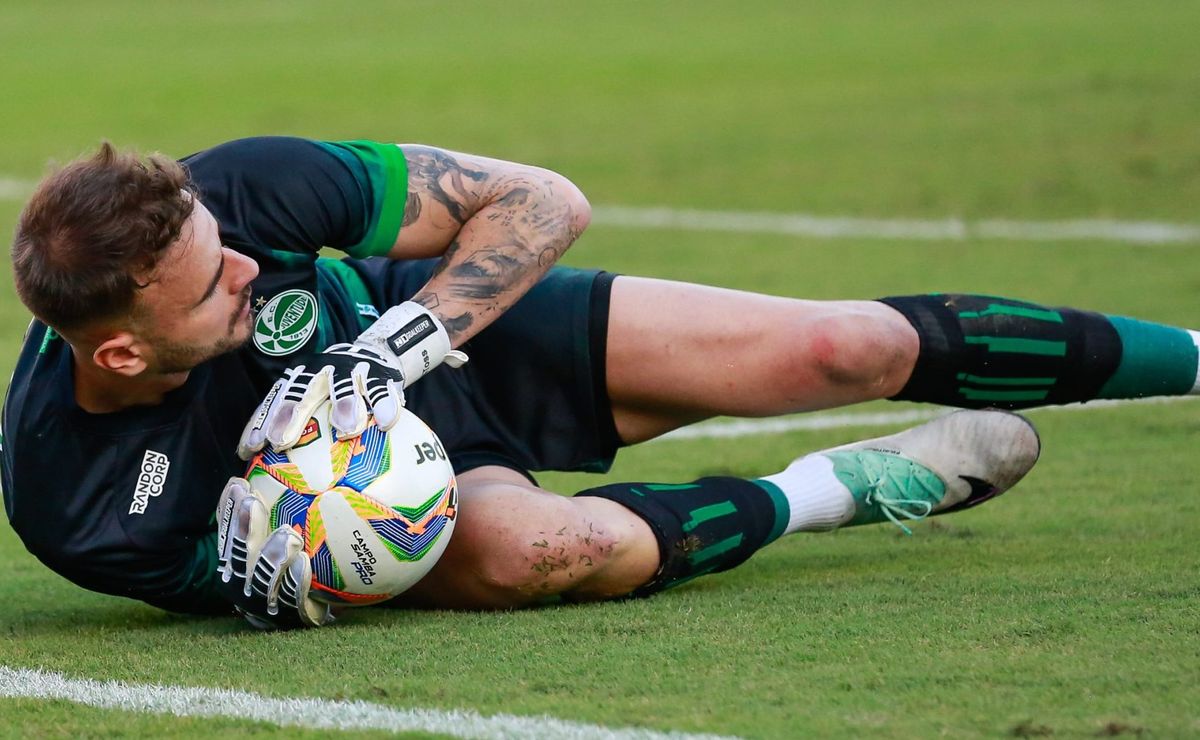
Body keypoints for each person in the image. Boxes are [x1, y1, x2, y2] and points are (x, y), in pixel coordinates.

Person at [3, 137, 1195, 629]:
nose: (252, 270)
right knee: (541, 551)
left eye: (235, 245)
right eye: (217, 285)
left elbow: (542, 201)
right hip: (409, 480)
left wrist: (391, 349)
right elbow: (305, 575)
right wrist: (303, 535)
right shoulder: (86, 507)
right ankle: (833, 487)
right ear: (119, 351)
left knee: (839, 348)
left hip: (437, 338)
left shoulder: (247, 191)